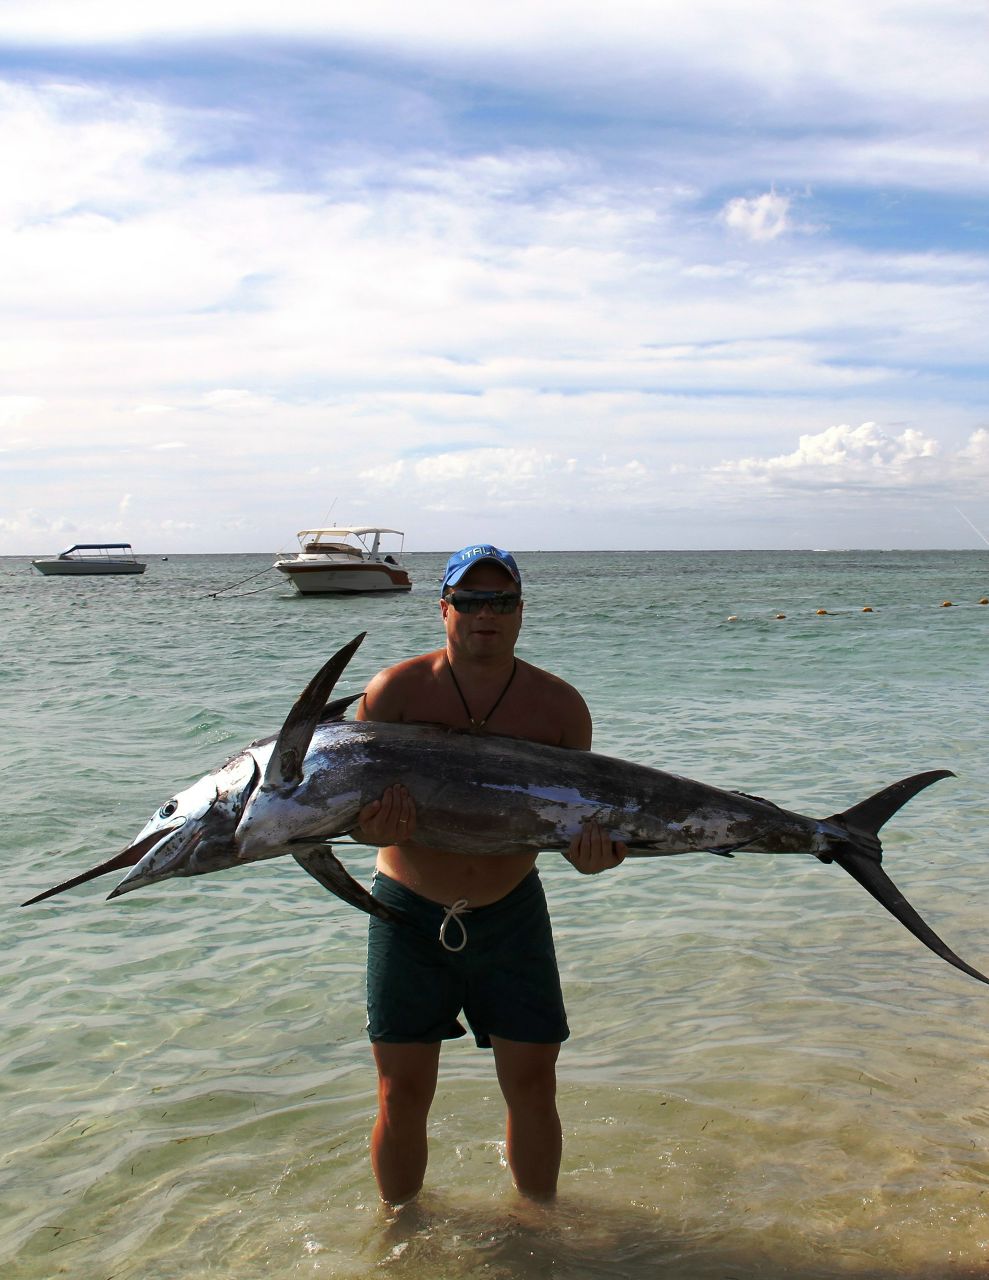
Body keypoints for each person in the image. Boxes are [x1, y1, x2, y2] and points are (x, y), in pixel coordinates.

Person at [355, 543, 626, 1205]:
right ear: (444, 608)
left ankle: (540, 1228)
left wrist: (593, 857)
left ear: (520, 612)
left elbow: (570, 825)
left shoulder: (560, 708)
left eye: (500, 602)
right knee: (400, 1091)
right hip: (406, 913)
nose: (486, 615)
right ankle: (399, 1233)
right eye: (471, 601)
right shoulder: (393, 693)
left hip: (511, 913)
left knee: (533, 1084)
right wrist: (371, 830)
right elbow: (348, 811)